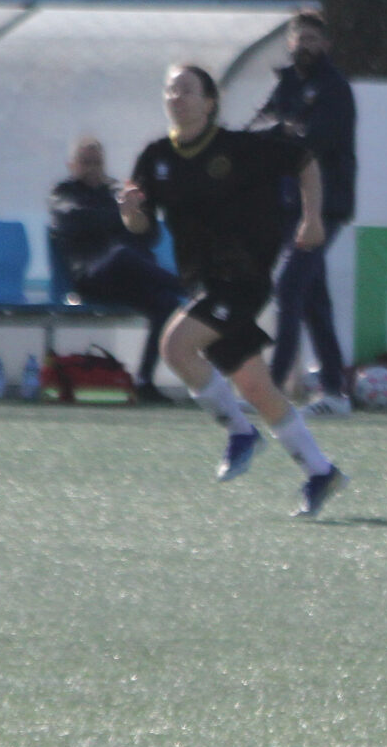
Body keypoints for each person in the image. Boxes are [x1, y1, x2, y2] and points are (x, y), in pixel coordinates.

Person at [120, 63, 344, 516]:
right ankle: (321, 471)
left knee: (176, 347)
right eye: (170, 90)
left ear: (209, 102)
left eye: (187, 90)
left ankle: (240, 432)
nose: (176, 97)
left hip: (242, 279)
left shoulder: (241, 148)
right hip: (203, 285)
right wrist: (129, 212)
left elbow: (304, 162)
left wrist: (313, 217)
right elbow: (140, 226)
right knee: (257, 387)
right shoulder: (155, 158)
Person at [256, 6, 358, 415]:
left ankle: (274, 387)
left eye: (315, 39)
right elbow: (261, 130)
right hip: (288, 205)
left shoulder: (334, 88)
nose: (306, 45)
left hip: (326, 207)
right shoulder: (285, 85)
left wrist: (285, 133)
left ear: (326, 45)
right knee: (315, 300)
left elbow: (315, 140)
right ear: (290, 42)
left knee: (289, 287)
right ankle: (334, 391)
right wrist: (281, 132)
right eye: (301, 38)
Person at [48, 135, 184, 399]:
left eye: (97, 162)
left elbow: (150, 233)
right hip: (90, 278)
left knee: (166, 304)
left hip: (124, 280)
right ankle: (184, 285)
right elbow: (73, 218)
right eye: (85, 162)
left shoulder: (115, 192)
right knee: (122, 253)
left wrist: (131, 214)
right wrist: (122, 215)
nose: (92, 168)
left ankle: (144, 381)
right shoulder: (62, 192)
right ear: (72, 165)